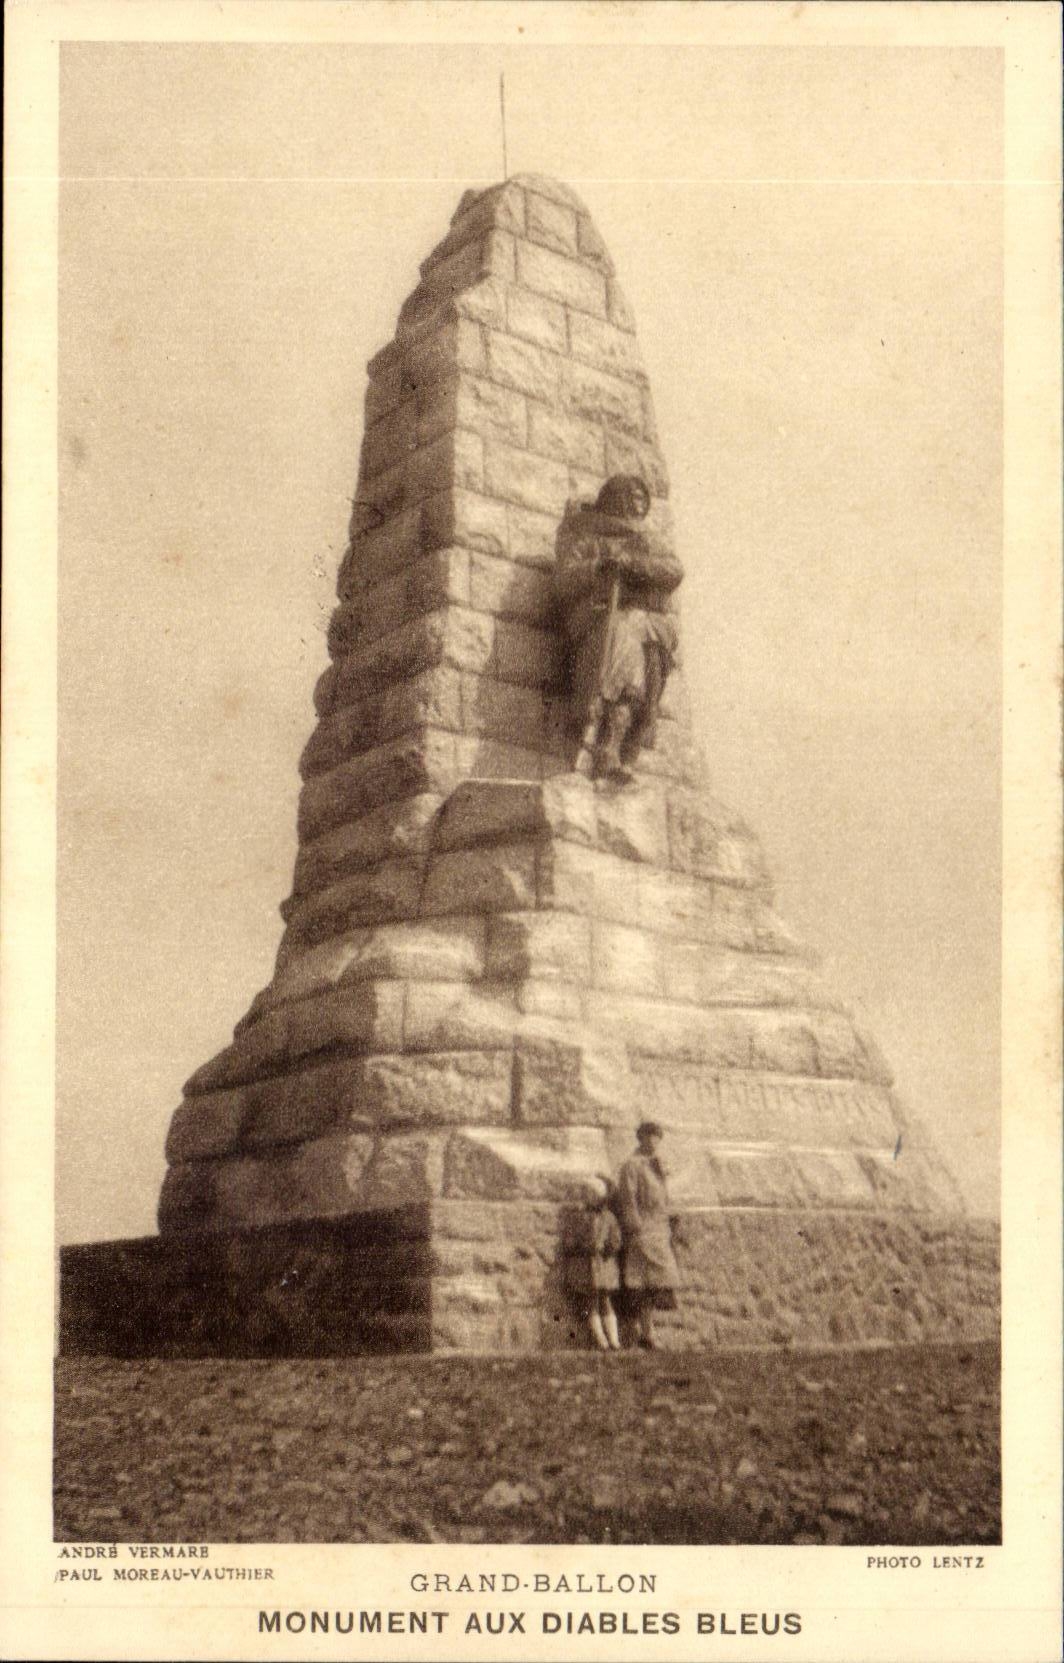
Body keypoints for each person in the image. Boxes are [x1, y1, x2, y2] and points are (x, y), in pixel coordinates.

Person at [554, 475, 683, 782]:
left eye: (642, 498)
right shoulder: (587, 534)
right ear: (615, 498)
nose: (639, 505)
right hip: (600, 615)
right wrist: (599, 566)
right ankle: (608, 743)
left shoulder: (648, 539)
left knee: (648, 648)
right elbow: (564, 580)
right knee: (626, 635)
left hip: (648, 623)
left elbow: (673, 570)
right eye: (633, 497)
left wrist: (632, 565)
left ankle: (628, 741)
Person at [616, 1120, 680, 1349]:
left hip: (659, 1229)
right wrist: (636, 1227)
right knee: (642, 1282)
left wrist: (670, 1220)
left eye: (657, 1137)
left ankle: (648, 1329)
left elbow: (666, 1195)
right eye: (649, 1136)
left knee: (660, 1280)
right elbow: (628, 1198)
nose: (653, 1141)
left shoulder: (659, 1164)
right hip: (642, 1230)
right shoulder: (632, 1165)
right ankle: (647, 1332)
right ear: (641, 1138)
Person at [584, 1187, 623, 1351]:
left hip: (605, 1263)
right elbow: (576, 1238)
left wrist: (608, 1248)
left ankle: (614, 1340)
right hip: (588, 1264)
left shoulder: (609, 1218)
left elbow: (616, 1240)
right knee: (592, 1301)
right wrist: (586, 1247)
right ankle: (601, 1340)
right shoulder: (584, 1217)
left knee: (606, 1300)